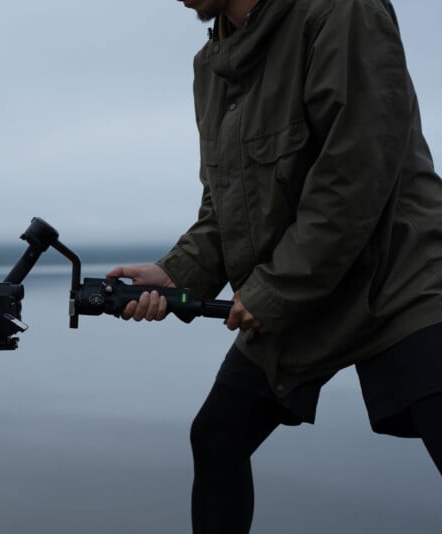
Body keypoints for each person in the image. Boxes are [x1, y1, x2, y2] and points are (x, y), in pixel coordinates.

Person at [107, 0, 442, 532]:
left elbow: (353, 177)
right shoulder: (211, 65)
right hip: (298, 287)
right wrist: (176, 274)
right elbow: (227, 205)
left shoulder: (342, 11)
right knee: (217, 438)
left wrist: (270, 292)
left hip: (398, 278)